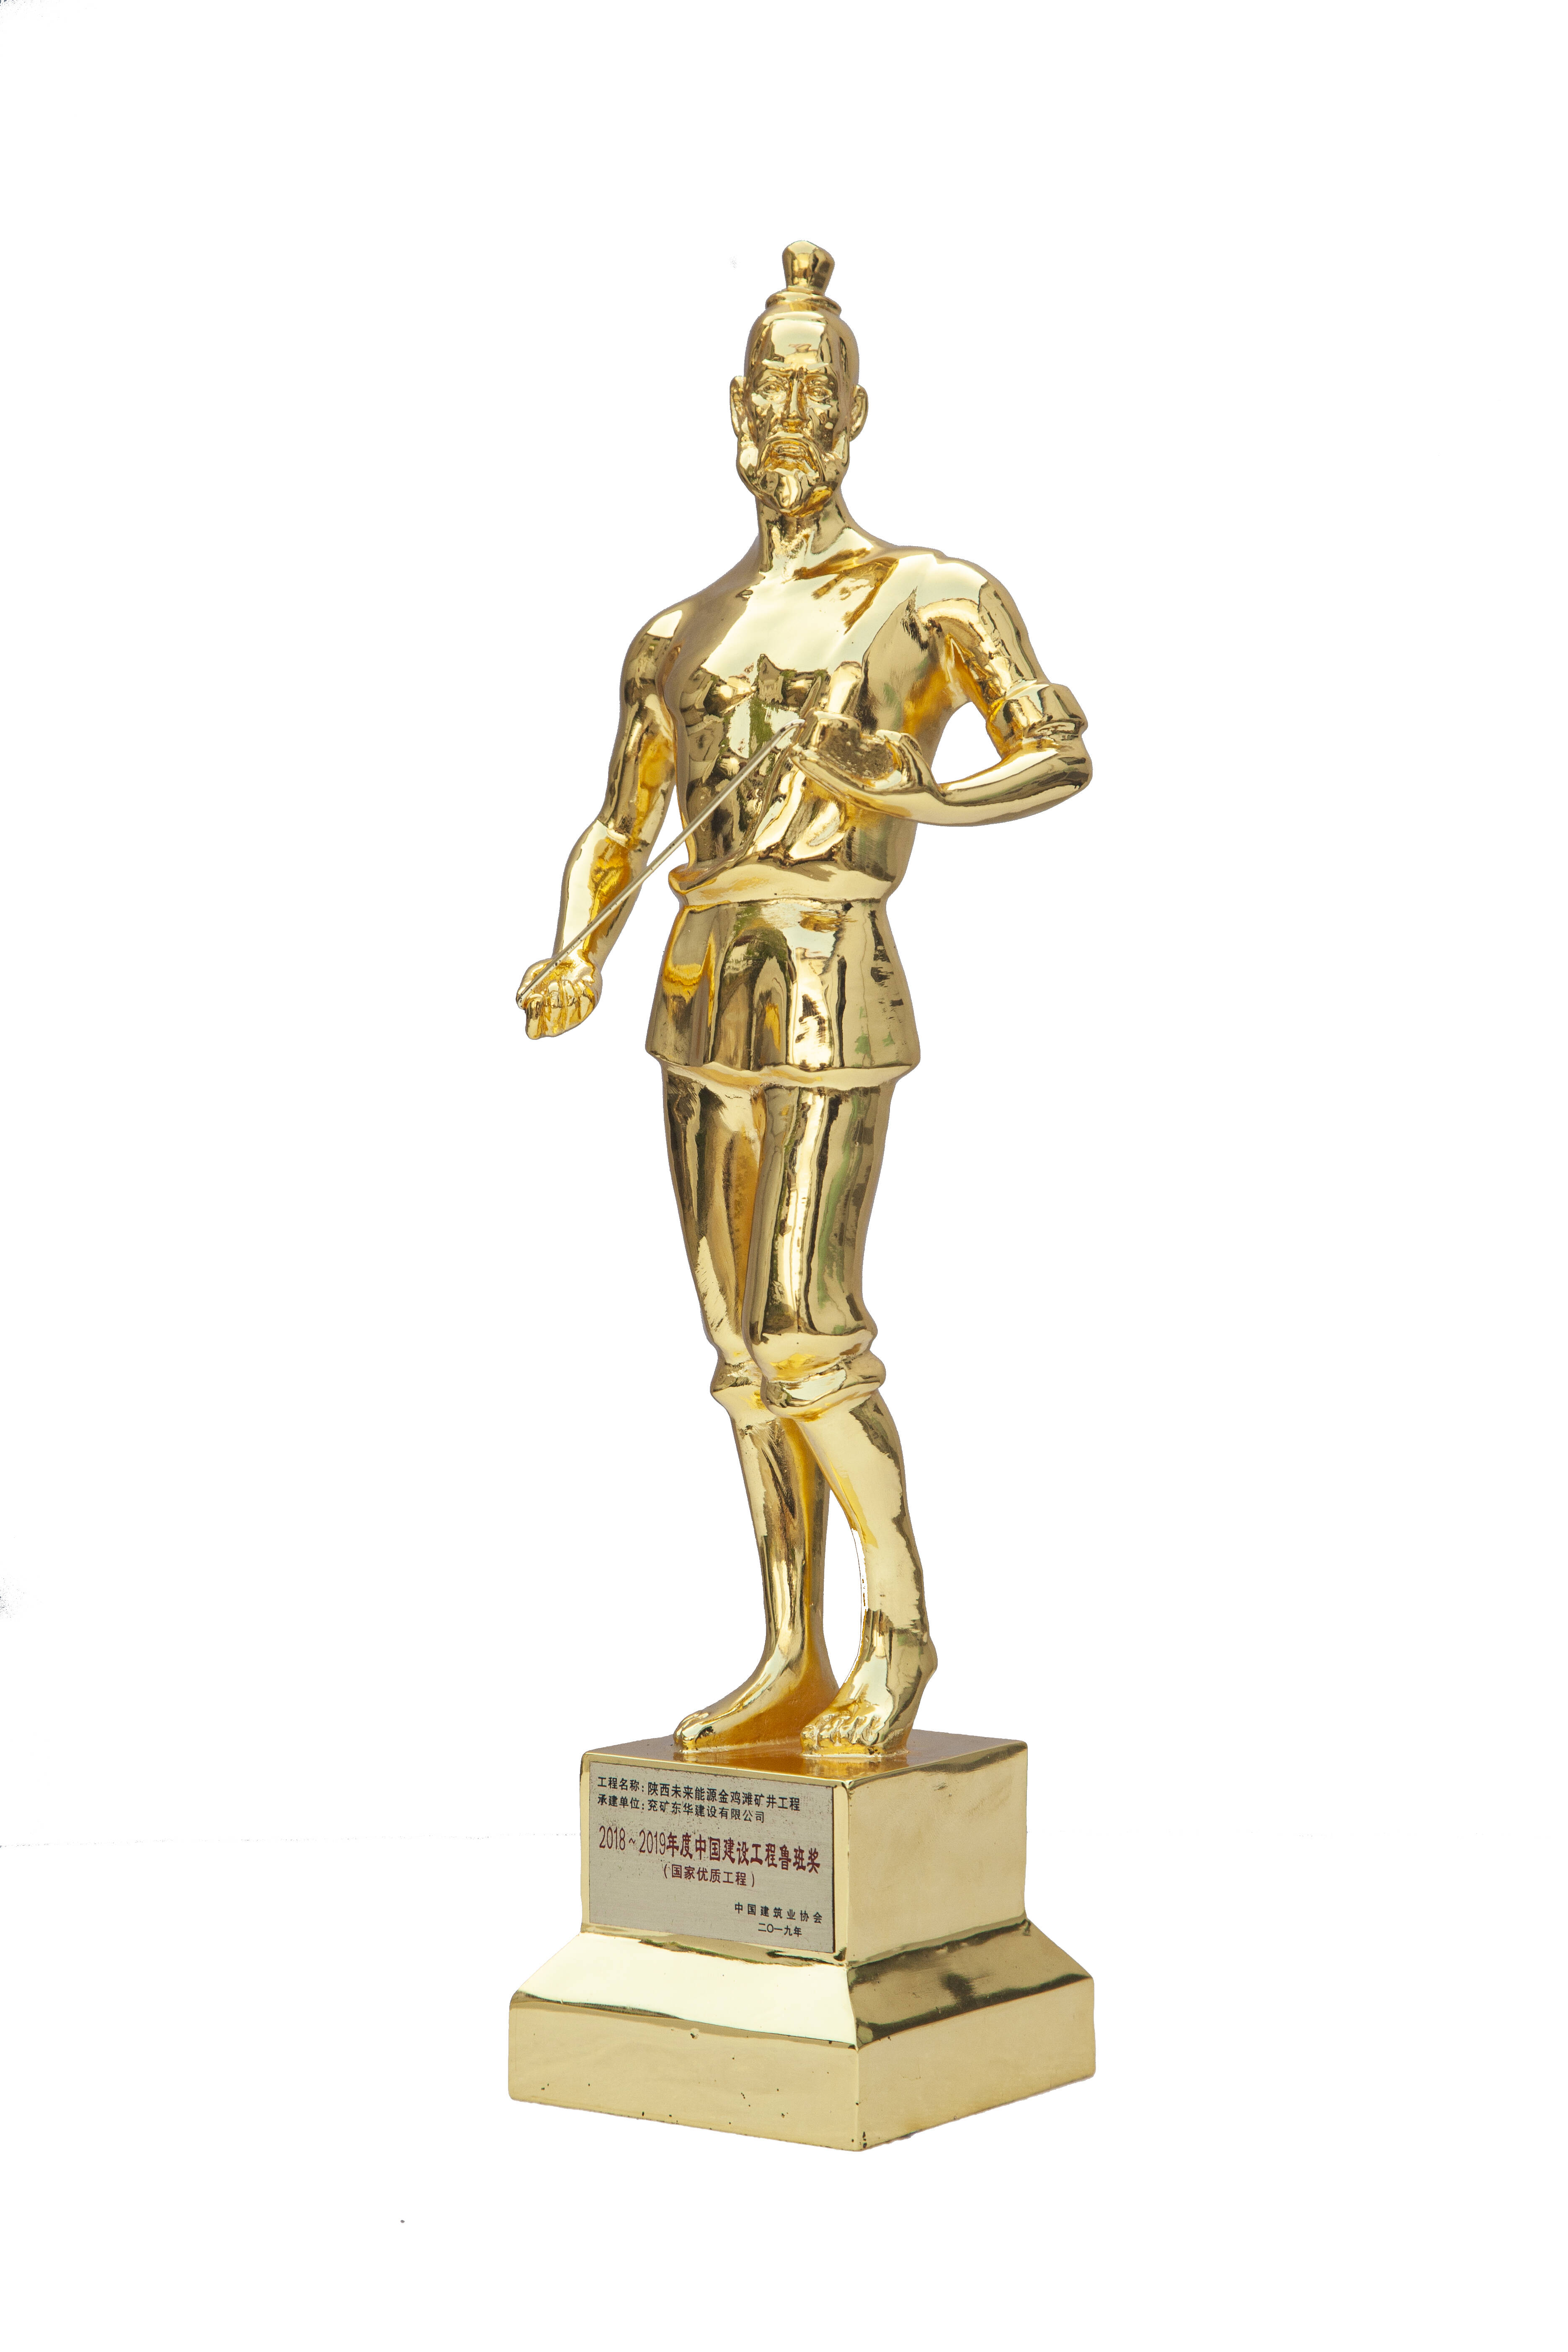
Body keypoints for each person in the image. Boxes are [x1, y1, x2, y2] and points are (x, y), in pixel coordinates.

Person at [519, 242, 1091, 1753]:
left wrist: (909, 794)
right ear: (731, 410)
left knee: (803, 1327)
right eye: (770, 393)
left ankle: (900, 1627)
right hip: (697, 989)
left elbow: (1055, 751)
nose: (792, 417)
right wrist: (574, 945)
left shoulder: (927, 592)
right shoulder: (674, 633)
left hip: (833, 976)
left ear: (857, 413)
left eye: (817, 393)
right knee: (735, 1346)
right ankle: (791, 1648)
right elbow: (621, 826)